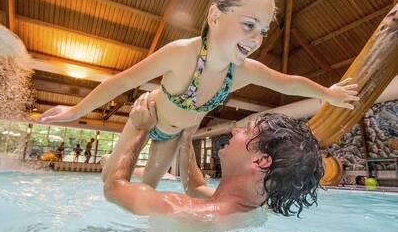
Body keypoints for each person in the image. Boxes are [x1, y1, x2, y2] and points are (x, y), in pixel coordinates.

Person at [39, 0, 358, 188]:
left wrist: (327, 93)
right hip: (146, 118)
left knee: (148, 185)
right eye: (248, 24)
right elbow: (121, 82)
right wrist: (74, 112)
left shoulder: (243, 70)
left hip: (172, 133)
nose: (256, 38)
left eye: (262, 30)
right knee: (110, 181)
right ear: (215, 16)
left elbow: (288, 83)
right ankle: (114, 160)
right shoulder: (182, 54)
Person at [103, 93, 324, 219]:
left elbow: (113, 188)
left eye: (245, 131)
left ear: (260, 161)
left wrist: (141, 129)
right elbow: (195, 187)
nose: (235, 130)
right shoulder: (248, 209)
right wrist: (186, 140)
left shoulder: (183, 210)